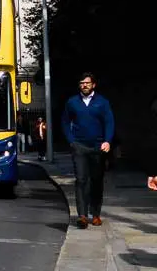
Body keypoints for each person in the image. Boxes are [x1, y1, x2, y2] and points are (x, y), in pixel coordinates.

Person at [62, 72, 115, 229]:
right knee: (81, 180)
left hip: (98, 147)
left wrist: (107, 140)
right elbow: (65, 122)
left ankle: (96, 214)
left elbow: (109, 122)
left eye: (87, 83)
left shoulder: (102, 102)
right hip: (79, 146)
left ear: (93, 85)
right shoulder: (72, 102)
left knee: (96, 181)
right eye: (81, 83)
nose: (84, 85)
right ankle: (82, 216)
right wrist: (71, 141)